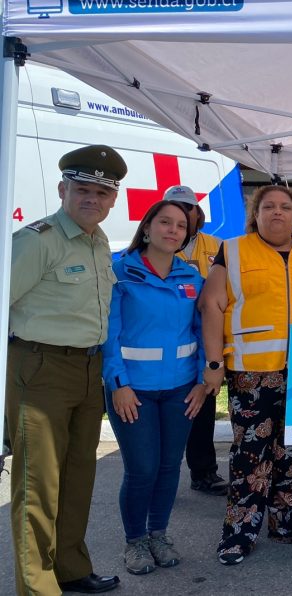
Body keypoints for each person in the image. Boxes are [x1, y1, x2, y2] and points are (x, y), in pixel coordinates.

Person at [199, 185, 292, 565]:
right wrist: (214, 364)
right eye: (269, 206)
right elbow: (212, 305)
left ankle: (289, 521)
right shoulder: (234, 250)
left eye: (285, 207)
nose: (278, 213)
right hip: (253, 372)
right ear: (257, 213)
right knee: (250, 455)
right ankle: (240, 531)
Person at [6, 145, 126, 595]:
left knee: (78, 478)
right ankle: (37, 587)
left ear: (113, 200)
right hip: (39, 367)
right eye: (82, 189)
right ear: (63, 189)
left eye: (101, 192)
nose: (91, 198)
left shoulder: (96, 241)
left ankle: (70, 569)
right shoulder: (37, 240)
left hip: (86, 368)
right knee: (38, 484)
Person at [102, 200, 208, 575]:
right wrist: (118, 384)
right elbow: (109, 335)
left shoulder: (193, 278)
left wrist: (201, 382)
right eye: (165, 222)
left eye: (181, 226)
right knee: (142, 468)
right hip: (133, 391)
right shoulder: (119, 273)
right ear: (147, 227)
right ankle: (135, 542)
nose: (173, 230)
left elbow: (201, 333)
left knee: (168, 466)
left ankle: (158, 535)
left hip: (181, 389)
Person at [161, 185, 229, 497]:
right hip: (169, 338)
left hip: (206, 338)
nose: (183, 214)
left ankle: (204, 472)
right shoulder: (162, 244)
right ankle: (163, 479)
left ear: (197, 213)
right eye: (174, 207)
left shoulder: (218, 246)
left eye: (188, 207)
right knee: (168, 415)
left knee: (202, 408)